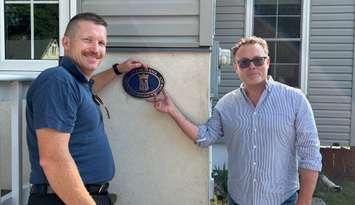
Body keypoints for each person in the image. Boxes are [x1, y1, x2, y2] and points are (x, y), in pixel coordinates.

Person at [149, 36, 322, 205]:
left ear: (268, 62)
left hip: (283, 199)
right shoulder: (226, 105)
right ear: (236, 67)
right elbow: (205, 137)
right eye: (244, 62)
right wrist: (171, 110)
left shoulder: (295, 99)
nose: (252, 66)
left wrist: (304, 201)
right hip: (239, 199)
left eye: (258, 60)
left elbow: (310, 155)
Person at [26, 12, 146, 205]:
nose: (95, 49)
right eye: (88, 40)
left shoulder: (75, 83)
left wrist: (118, 70)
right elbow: (53, 159)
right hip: (64, 198)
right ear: (66, 42)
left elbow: (86, 91)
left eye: (101, 43)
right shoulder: (58, 81)